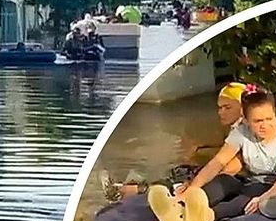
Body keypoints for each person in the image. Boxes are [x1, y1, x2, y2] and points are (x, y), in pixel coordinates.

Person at [148, 86, 276, 221]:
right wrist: (192, 188)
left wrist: (262, 199)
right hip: (250, 178)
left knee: (249, 196)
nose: (264, 125)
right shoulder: (241, 132)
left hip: (273, 184)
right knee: (223, 180)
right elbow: (217, 162)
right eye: (258, 121)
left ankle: (207, 217)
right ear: (245, 120)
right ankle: (181, 207)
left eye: (269, 118)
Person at [101, 82, 246, 202]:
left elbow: (229, 166)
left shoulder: (241, 132)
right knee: (177, 172)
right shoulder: (235, 129)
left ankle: (124, 191)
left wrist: (195, 183)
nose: (221, 112)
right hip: (223, 175)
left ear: (242, 108)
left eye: (227, 107)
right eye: (220, 107)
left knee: (175, 181)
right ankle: (125, 189)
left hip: (228, 180)